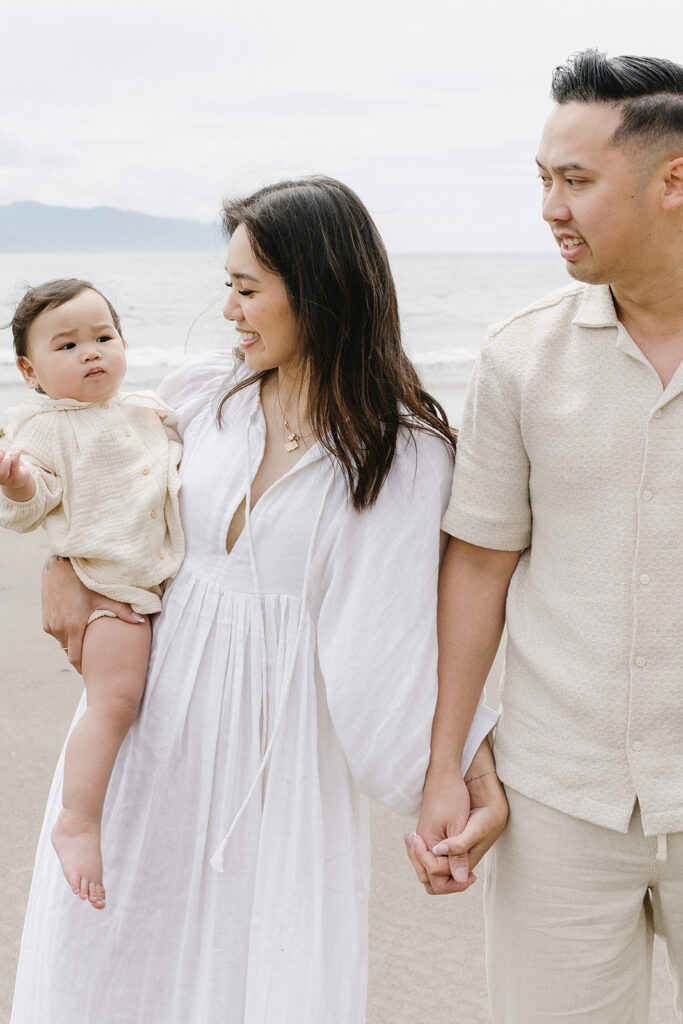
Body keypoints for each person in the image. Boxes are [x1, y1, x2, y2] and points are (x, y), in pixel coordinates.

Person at [10, 177, 507, 1024]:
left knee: (253, 980)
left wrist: (459, 775)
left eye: (248, 289)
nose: (231, 310)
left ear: (316, 291)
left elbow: (394, 637)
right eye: (226, 287)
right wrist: (62, 566)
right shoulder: (208, 395)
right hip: (145, 736)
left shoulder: (402, 456)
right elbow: (101, 488)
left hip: (276, 760)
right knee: (106, 965)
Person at [406, 49, 683, 1022]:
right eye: (540, 179)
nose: (546, 208)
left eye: (572, 181)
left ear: (671, 181)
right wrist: (443, 763)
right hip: (557, 799)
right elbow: (477, 564)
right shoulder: (517, 356)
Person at [0, 280, 183, 910]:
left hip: (155, 583)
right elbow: (29, 503)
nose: (91, 352)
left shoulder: (146, 409)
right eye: (68, 345)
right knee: (114, 702)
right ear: (30, 371)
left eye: (103, 336)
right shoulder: (45, 427)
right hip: (108, 591)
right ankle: (77, 819)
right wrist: (18, 481)